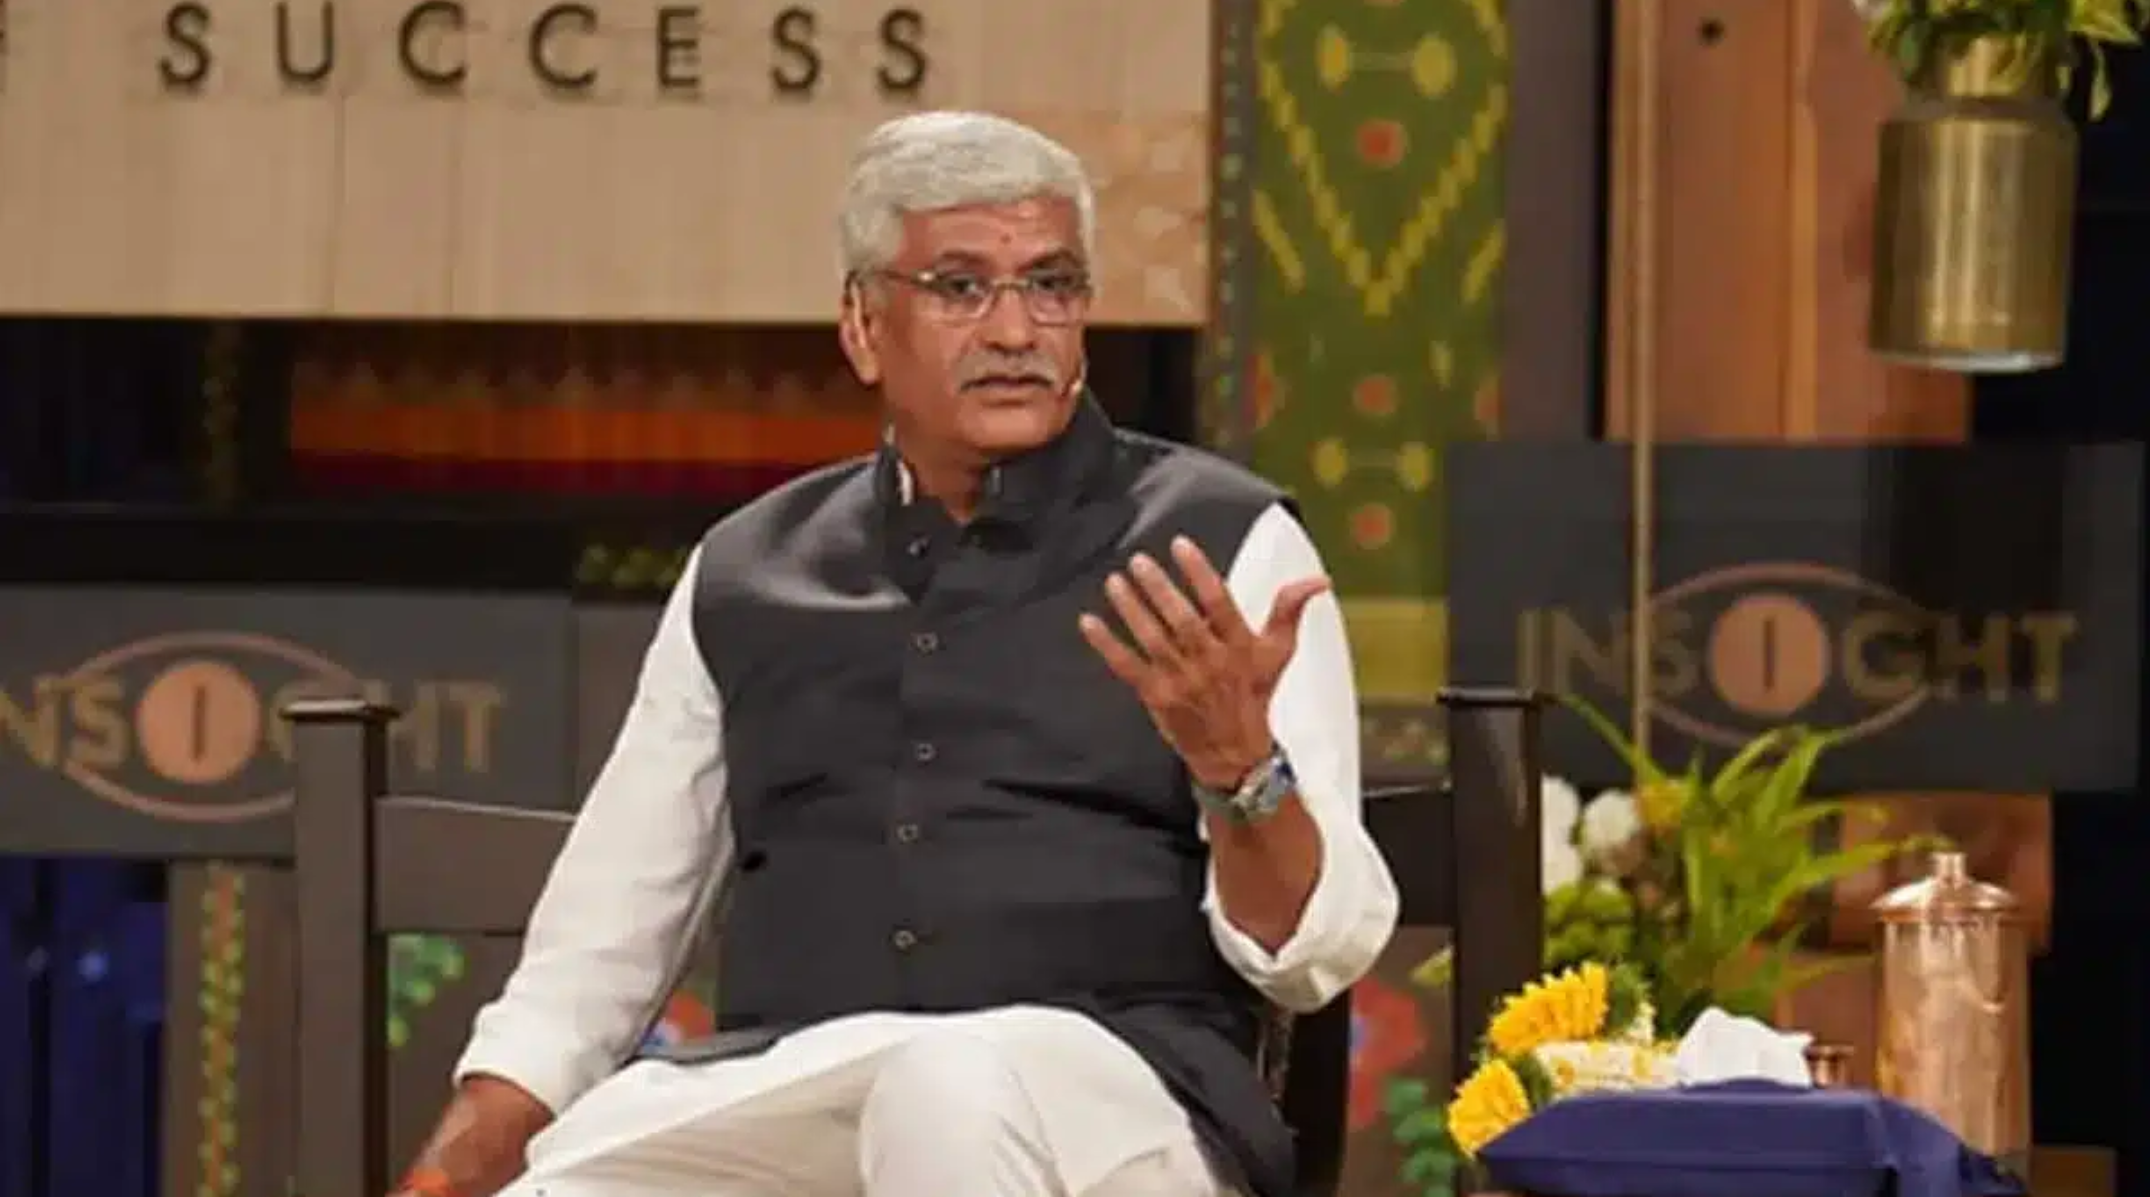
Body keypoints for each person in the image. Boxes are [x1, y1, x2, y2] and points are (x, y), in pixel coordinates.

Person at [391, 110, 1400, 1197]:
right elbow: (598, 950)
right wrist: (447, 1178)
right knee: (574, 1183)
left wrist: (1239, 773)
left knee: (945, 1088)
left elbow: (1312, 956)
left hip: (1118, 1103)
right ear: (863, 326)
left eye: (1051, 285)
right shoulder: (746, 573)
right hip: (797, 1092)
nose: (1015, 330)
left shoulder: (1220, 548)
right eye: (961, 287)